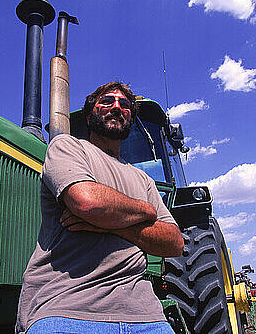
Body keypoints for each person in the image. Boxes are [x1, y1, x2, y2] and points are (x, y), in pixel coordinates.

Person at [15, 81, 184, 334]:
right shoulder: (67, 147)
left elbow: (175, 243)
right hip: (67, 308)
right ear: (89, 113)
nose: (116, 107)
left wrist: (112, 226)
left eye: (124, 104)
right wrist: (145, 212)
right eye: (106, 101)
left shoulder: (144, 180)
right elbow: (88, 202)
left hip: (146, 317)